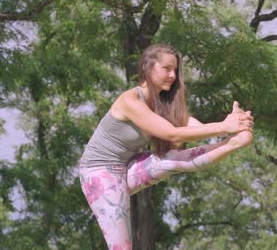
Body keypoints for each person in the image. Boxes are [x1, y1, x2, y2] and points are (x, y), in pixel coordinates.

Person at [79, 44, 254, 250]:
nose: (173, 75)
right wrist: (225, 126)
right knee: (122, 247)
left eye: (175, 70)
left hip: (127, 168)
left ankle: (231, 145)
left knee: (173, 159)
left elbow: (197, 128)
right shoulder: (130, 100)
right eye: (166, 68)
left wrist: (234, 129)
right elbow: (172, 133)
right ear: (147, 68)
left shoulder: (163, 103)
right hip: (99, 174)